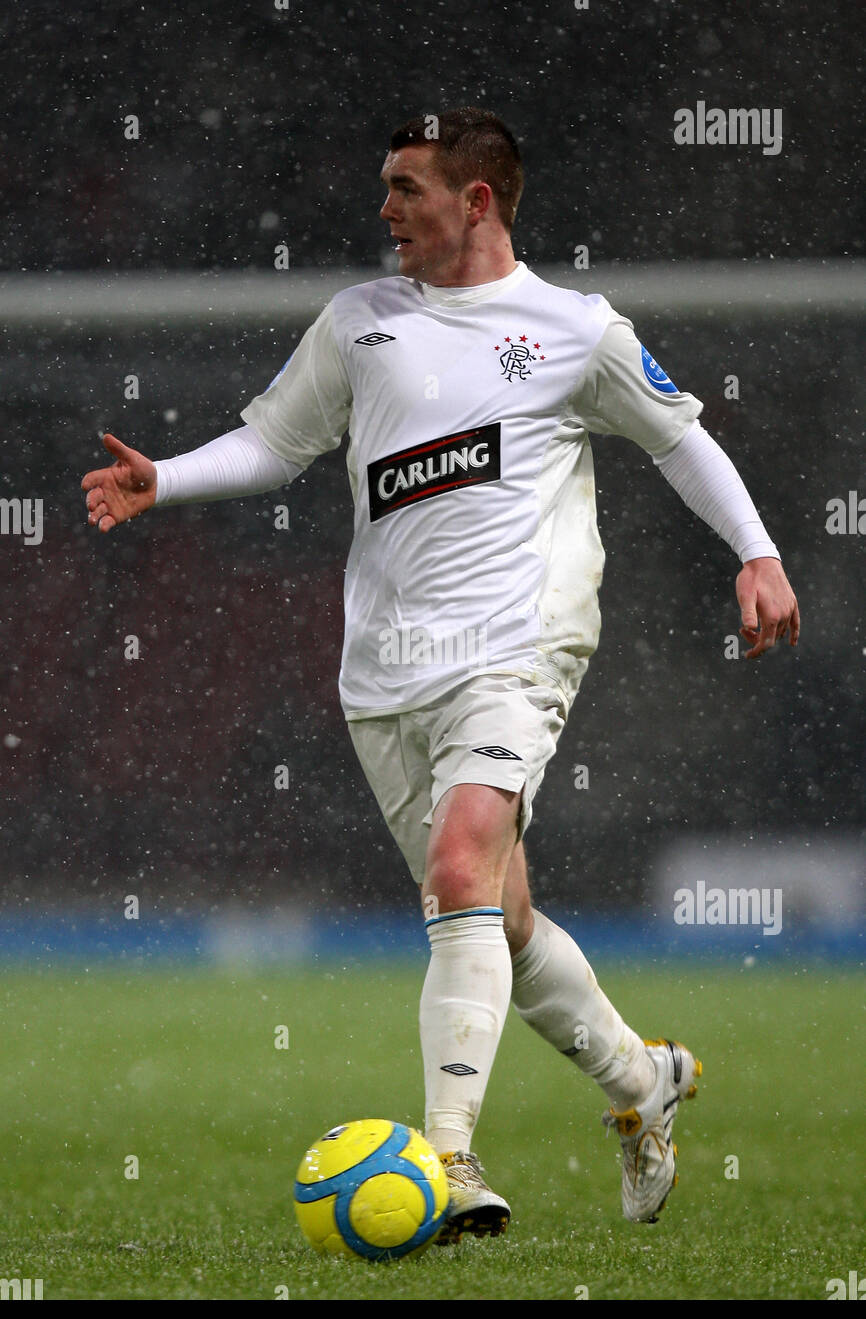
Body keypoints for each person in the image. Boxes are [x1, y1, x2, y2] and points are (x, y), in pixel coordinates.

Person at [81, 107, 799, 1243]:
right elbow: (277, 442)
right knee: (494, 915)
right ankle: (639, 1079)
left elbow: (677, 435)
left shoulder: (574, 330)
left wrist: (755, 552)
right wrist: (160, 480)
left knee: (458, 862)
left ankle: (450, 1158)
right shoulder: (357, 322)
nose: (383, 210)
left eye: (405, 188)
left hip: (517, 650)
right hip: (384, 675)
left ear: (476, 200)